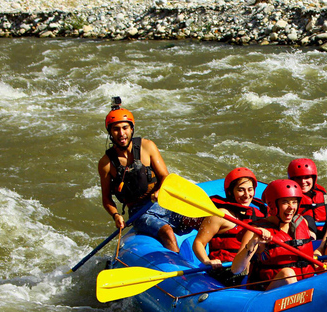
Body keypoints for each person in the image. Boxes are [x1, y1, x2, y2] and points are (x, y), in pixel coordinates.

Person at [98, 99, 186, 252]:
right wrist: (116, 216)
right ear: (110, 132)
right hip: (139, 212)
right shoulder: (106, 164)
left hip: (163, 202)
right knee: (167, 232)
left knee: (197, 220)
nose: (121, 134)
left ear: (132, 129)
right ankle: (179, 273)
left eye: (125, 128)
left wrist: (160, 191)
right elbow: (106, 199)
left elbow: (165, 176)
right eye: (116, 129)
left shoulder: (148, 147)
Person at [231, 179, 318, 291]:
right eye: (285, 202)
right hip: (268, 295)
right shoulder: (256, 231)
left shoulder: (302, 223)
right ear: (272, 205)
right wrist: (253, 241)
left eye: (294, 202)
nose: (291, 207)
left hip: (304, 289)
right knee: (288, 273)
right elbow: (236, 269)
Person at [192, 167, 267, 285]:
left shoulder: (258, 214)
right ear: (231, 192)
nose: (247, 195)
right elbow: (199, 243)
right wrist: (207, 261)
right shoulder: (220, 215)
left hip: (248, 267)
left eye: (250, 190)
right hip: (224, 269)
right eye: (241, 190)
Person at [287, 158, 327, 239]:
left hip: (324, 235)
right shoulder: (288, 197)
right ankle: (311, 240)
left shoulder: (322, 194)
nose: (303, 182)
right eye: (299, 178)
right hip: (303, 236)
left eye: (307, 177)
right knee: (308, 219)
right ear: (292, 179)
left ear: (313, 178)